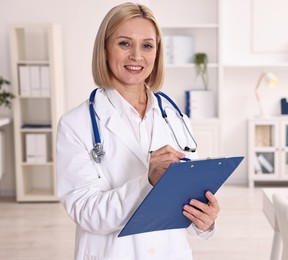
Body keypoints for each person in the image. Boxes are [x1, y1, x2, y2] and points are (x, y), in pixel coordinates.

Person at [56, 2, 220, 259]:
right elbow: (86, 212)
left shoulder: (176, 118)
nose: (136, 56)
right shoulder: (75, 124)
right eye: (124, 43)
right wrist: (147, 181)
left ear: (157, 53)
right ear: (105, 50)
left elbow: (187, 198)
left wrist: (205, 221)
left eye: (147, 45)